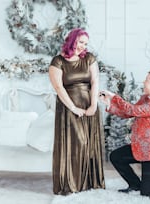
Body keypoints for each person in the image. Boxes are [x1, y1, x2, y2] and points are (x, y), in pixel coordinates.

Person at [48, 28, 105, 195]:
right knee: (76, 143)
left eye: (85, 43)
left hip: (88, 104)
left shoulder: (89, 58)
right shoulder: (58, 61)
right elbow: (58, 87)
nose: (83, 46)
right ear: (72, 40)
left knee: (89, 144)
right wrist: (73, 108)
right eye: (80, 42)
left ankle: (88, 184)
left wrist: (93, 105)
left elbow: (95, 82)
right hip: (68, 108)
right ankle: (72, 184)